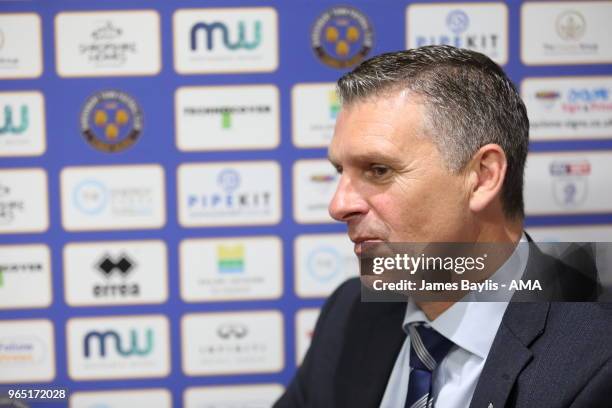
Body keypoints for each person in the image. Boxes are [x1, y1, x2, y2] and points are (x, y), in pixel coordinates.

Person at [274, 46, 612, 408]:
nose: (338, 206)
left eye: (378, 170)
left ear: (482, 177)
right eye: (341, 172)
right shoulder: (350, 311)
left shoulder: (599, 354)